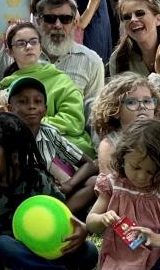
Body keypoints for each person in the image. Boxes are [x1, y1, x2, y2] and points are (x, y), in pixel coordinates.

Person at [0, 112, 96, 270]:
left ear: (14, 156)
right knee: (0, 244)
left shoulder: (36, 179)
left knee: (89, 251)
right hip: (8, 252)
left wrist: (81, 228)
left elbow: (61, 213)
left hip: (43, 247)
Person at [87, 119, 160, 270]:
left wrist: (157, 239)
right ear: (123, 156)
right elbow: (90, 221)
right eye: (135, 167)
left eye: (151, 171)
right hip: (122, 261)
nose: (142, 177)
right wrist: (102, 219)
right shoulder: (113, 184)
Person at [0, 0, 105, 105]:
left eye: (65, 19)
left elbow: (93, 110)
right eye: (50, 18)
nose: (58, 25)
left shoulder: (91, 61)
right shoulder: (12, 53)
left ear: (74, 23)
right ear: (38, 22)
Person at [5, 76, 99, 217]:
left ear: (45, 109)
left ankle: (60, 216)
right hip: (18, 199)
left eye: (38, 101)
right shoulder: (3, 135)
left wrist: (70, 185)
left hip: (52, 193)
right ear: (9, 109)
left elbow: (89, 164)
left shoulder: (49, 132)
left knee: (96, 182)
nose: (32, 106)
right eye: (22, 102)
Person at [0, 21, 92, 156]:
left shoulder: (60, 80)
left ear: (41, 47)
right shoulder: (7, 84)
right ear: (10, 52)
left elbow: (74, 122)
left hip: (66, 146)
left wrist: (32, 123)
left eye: (33, 42)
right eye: (21, 43)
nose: (29, 47)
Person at [109, 0, 160, 77]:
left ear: (158, 19)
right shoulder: (118, 59)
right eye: (127, 17)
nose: (133, 19)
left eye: (139, 13)